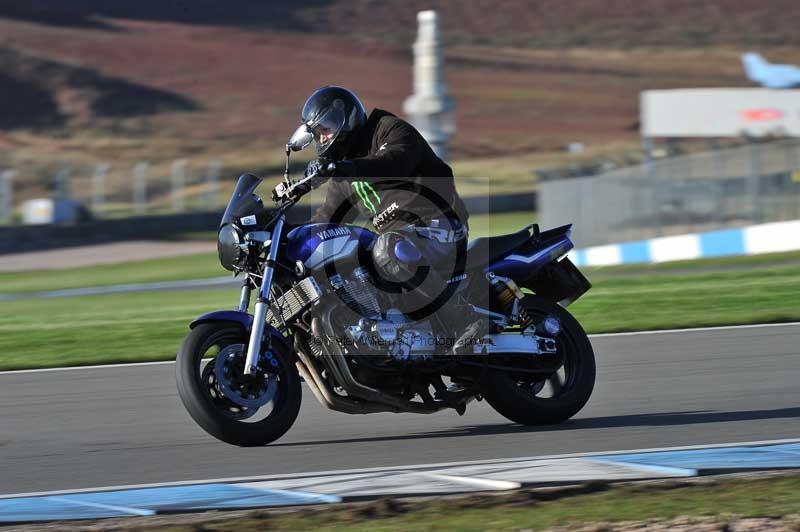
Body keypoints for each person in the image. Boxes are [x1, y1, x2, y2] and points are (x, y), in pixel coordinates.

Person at [297, 85, 488, 354]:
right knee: (353, 261)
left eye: (327, 129)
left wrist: (344, 168)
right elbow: (325, 219)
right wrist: (281, 232)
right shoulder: (342, 172)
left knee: (388, 248)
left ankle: (466, 317)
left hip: (439, 225)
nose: (324, 138)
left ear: (344, 120)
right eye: (319, 134)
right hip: (402, 240)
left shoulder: (388, 129)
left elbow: (394, 162)